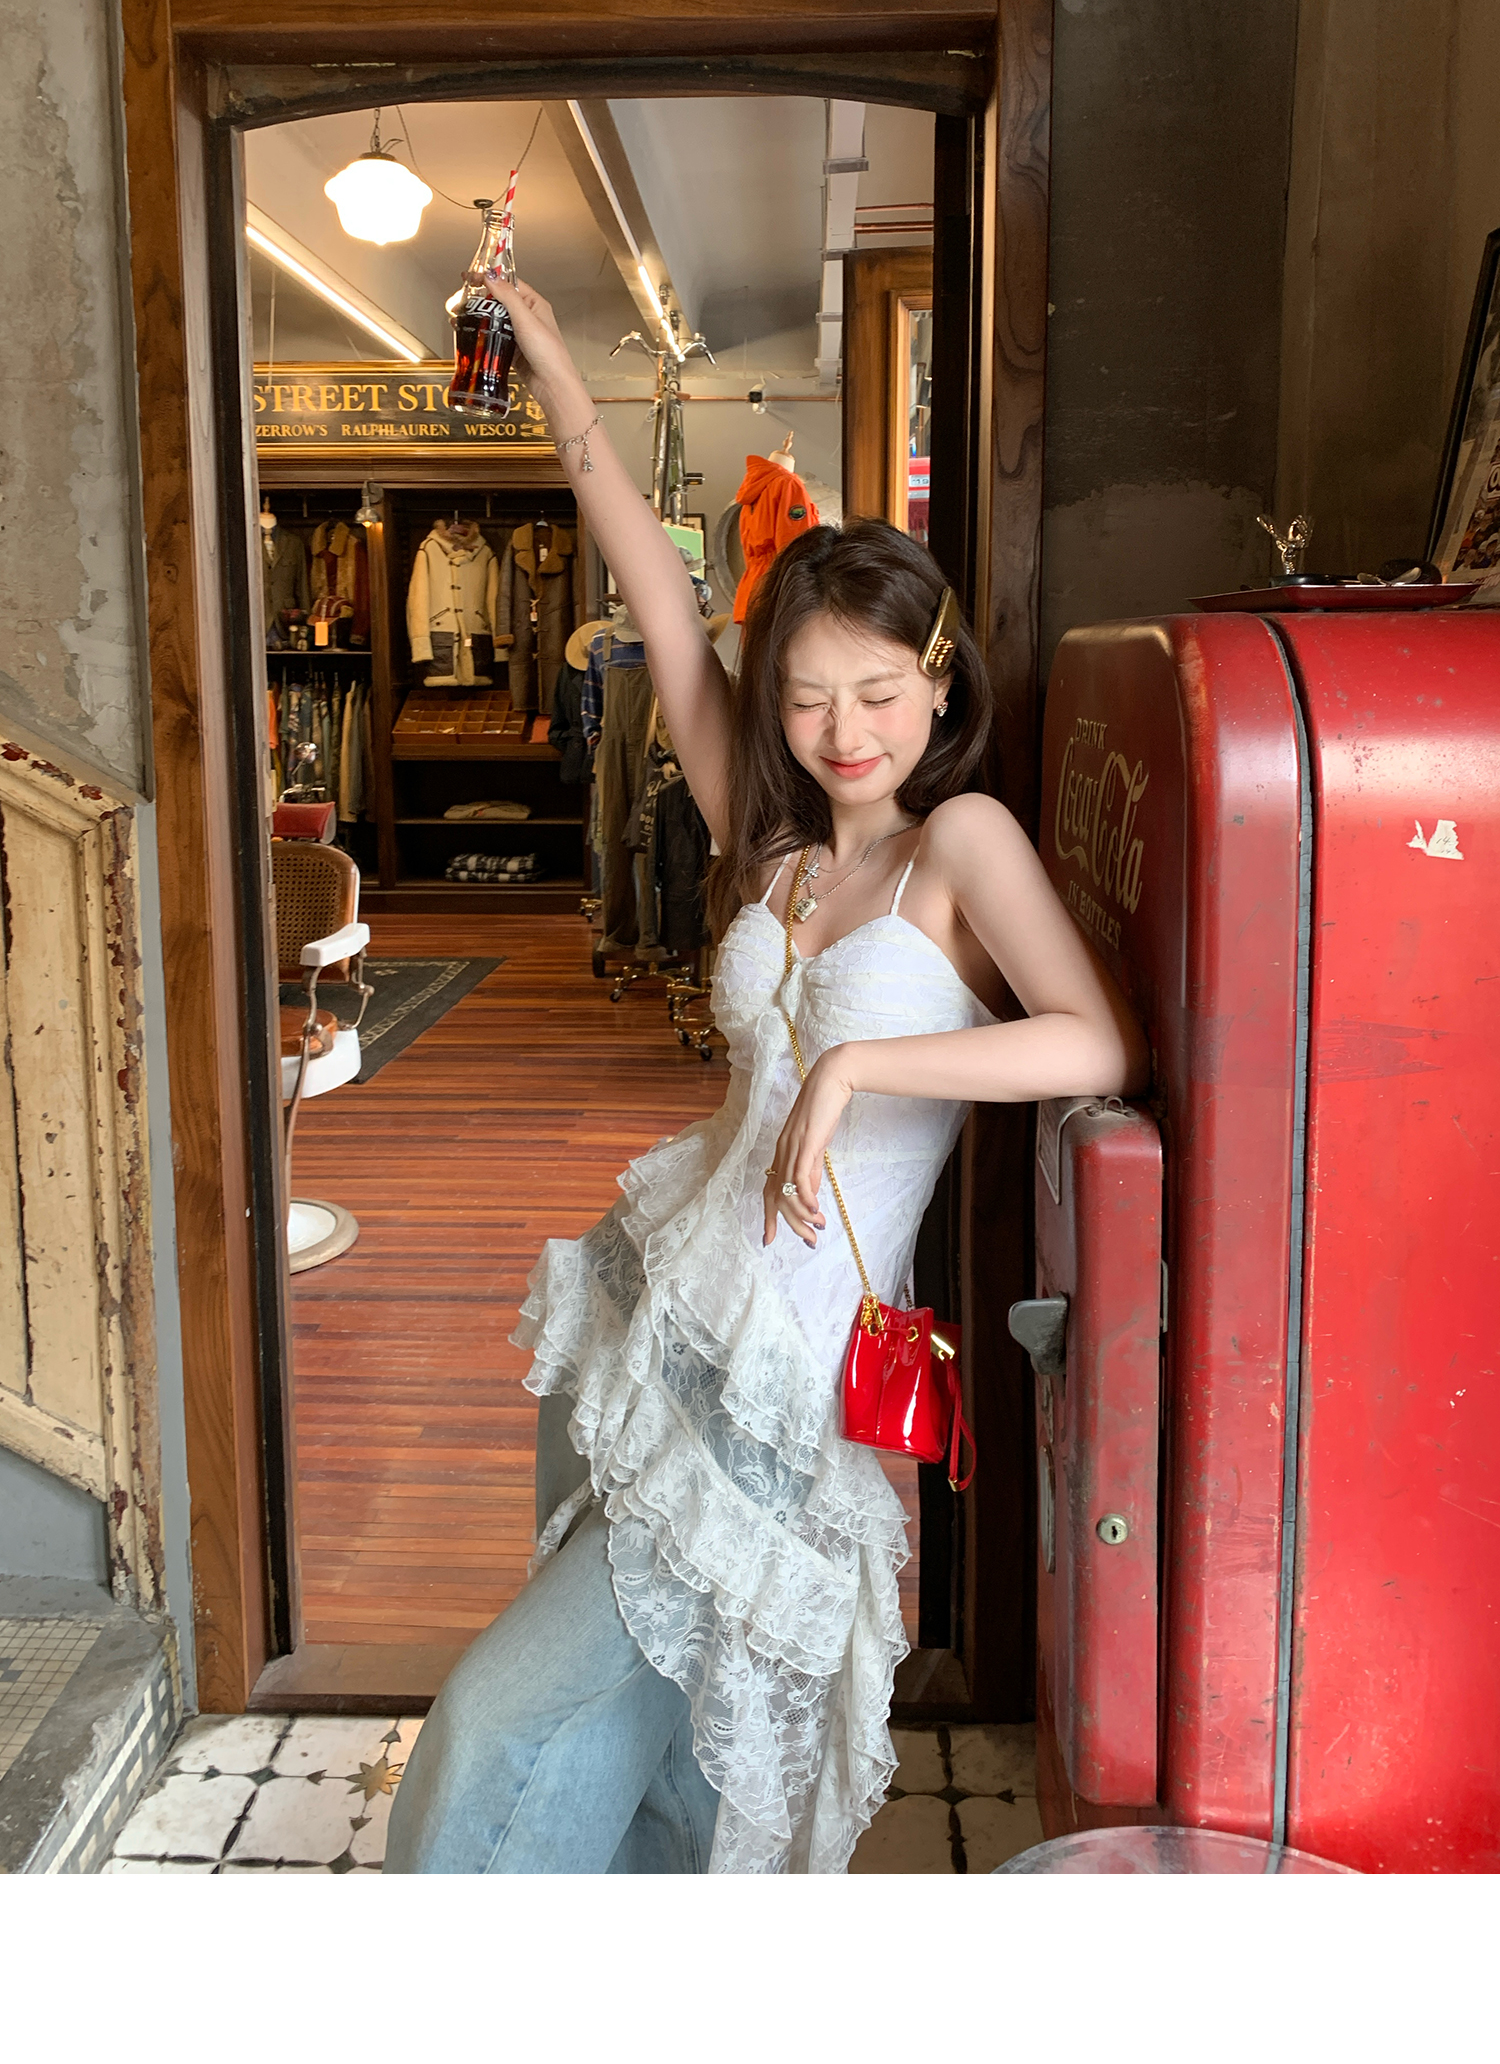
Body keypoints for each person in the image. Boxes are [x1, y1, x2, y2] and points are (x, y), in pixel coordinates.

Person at [384, 278, 1148, 1877]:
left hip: (779, 1383)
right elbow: (660, 600)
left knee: (495, 1720)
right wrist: (556, 373)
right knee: (635, 1736)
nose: (841, 728)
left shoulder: (962, 842)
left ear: (940, 681)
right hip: (657, 1295)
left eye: (877, 691)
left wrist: (860, 1061)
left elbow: (1096, 1039)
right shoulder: (778, 838)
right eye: (805, 694)